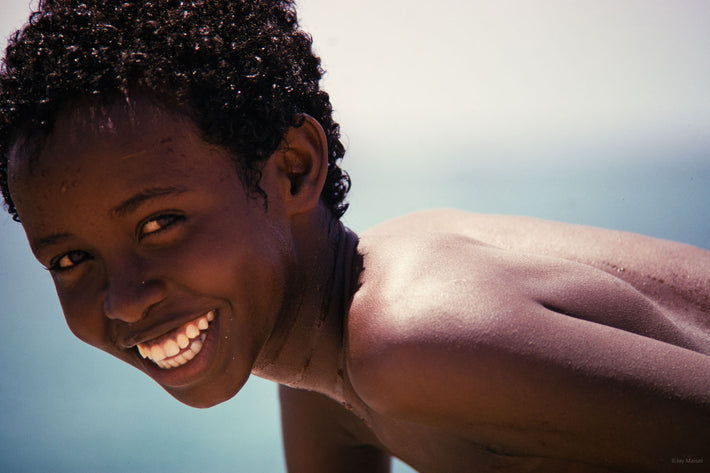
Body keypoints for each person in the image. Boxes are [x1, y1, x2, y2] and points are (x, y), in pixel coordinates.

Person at [1, 1, 708, 472]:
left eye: (160, 223)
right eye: (71, 259)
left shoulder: (409, 337)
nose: (123, 300)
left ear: (293, 169)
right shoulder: (319, 370)